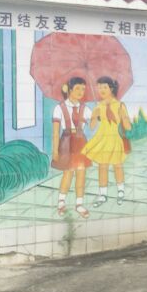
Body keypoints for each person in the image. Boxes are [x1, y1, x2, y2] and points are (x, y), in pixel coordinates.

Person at [82, 76, 132, 206]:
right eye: (99, 87)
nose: (101, 90)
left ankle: (120, 192)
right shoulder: (98, 106)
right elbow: (92, 126)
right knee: (102, 167)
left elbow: (127, 126)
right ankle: (102, 195)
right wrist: (94, 115)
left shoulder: (120, 105)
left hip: (115, 138)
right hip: (102, 138)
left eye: (104, 87)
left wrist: (124, 118)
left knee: (117, 165)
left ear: (111, 88)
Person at [51, 76, 92, 217]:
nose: (81, 91)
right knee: (68, 173)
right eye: (78, 88)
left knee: (81, 173)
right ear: (69, 89)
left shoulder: (85, 109)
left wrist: (98, 116)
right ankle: (61, 203)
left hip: (81, 142)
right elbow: (56, 132)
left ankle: (79, 204)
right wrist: (54, 150)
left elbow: (92, 126)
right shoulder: (59, 108)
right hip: (67, 142)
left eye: (83, 89)